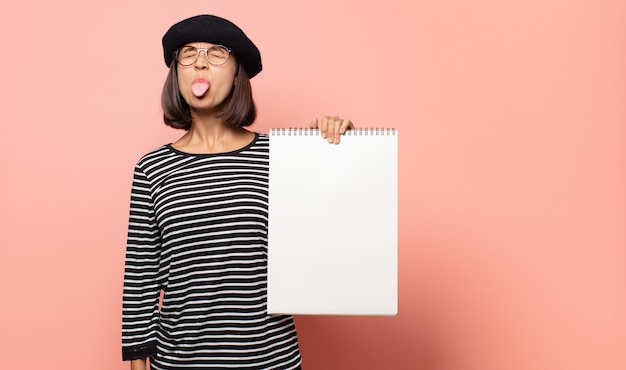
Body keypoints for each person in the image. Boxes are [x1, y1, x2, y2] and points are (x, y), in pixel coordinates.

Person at [121, 14, 353, 370]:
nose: (200, 61)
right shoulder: (151, 169)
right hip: (178, 363)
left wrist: (338, 149)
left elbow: (336, 231)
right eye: (188, 53)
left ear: (236, 74)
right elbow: (140, 279)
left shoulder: (281, 156)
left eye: (216, 53)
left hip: (270, 360)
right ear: (176, 74)